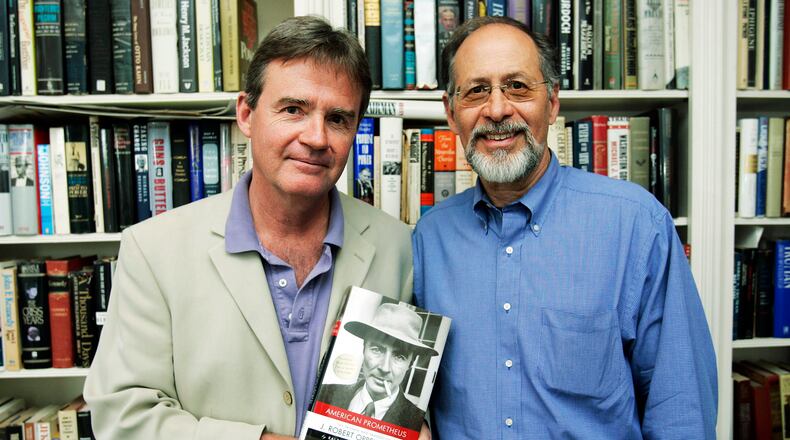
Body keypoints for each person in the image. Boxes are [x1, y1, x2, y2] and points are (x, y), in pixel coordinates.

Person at [84, 16, 420, 440]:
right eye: (293, 109)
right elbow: (123, 414)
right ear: (246, 113)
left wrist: (413, 422)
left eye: (338, 118)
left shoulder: (400, 245)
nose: (316, 138)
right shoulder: (153, 249)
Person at [412, 16, 718, 439]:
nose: (497, 109)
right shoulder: (429, 238)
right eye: (477, 90)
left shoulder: (636, 225)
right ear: (451, 112)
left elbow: (680, 411)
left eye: (518, 86)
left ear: (553, 103)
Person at [315, 303, 438, 432]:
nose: (384, 368)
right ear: (364, 349)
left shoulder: (415, 421)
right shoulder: (327, 393)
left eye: (399, 356)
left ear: (410, 364)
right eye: (377, 349)